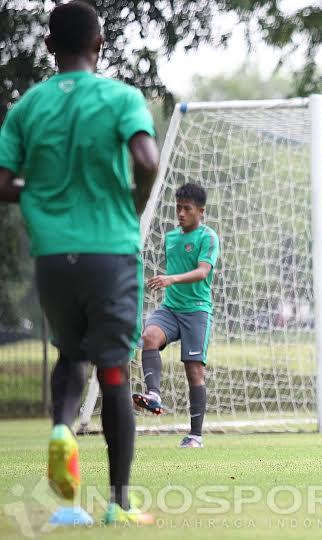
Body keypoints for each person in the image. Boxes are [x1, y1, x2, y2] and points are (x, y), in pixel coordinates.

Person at [0, 0, 158, 524]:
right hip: (109, 250)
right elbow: (146, 160)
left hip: (52, 257)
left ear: (48, 47)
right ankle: (118, 502)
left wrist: (39, 191)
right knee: (113, 367)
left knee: (68, 353)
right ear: (99, 44)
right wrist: (131, 204)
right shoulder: (120, 98)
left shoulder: (25, 108)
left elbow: (3, 183)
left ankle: (63, 436)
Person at [132, 183, 220, 449]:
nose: (180, 213)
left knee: (194, 370)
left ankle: (195, 436)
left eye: (187, 209)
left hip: (197, 311)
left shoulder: (208, 237)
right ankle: (154, 395)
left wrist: (171, 279)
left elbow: (203, 272)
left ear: (200, 211)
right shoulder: (171, 238)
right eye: (178, 208)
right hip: (170, 309)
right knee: (149, 336)